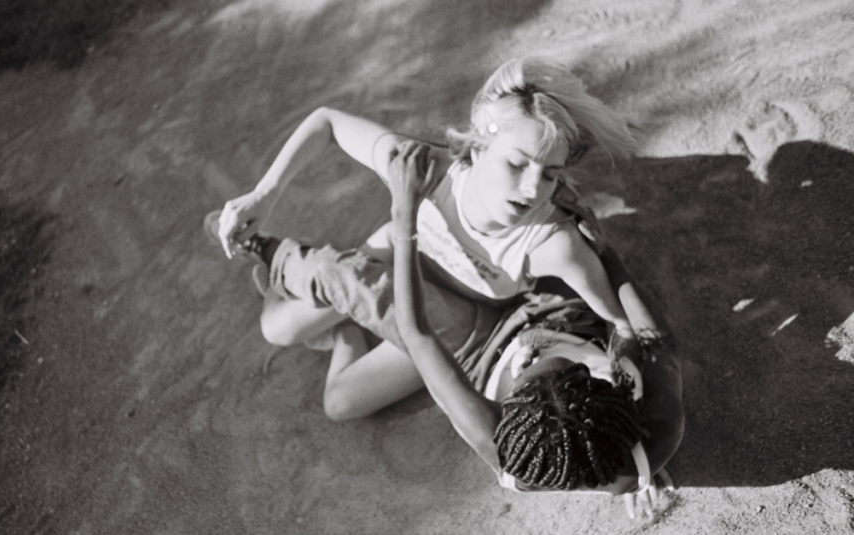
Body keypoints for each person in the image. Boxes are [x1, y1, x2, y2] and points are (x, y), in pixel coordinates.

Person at [213, 56, 656, 417]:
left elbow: (623, 325)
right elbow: (326, 122)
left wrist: (629, 422)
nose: (531, 189)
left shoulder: (552, 244)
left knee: (340, 403)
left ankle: (343, 324)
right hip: (395, 252)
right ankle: (286, 264)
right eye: (517, 163)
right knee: (277, 329)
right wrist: (264, 194)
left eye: (549, 175)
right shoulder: (429, 170)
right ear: (479, 146)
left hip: (448, 321)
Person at [383, 140, 683, 516]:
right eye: (573, 369)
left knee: (353, 287)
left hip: (481, 352)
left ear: (505, 413)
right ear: (611, 394)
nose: (535, 353)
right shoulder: (657, 434)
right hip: (569, 319)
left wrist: (403, 213)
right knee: (570, 251)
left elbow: (417, 332)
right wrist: (604, 251)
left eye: (526, 372)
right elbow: (657, 342)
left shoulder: (495, 440)